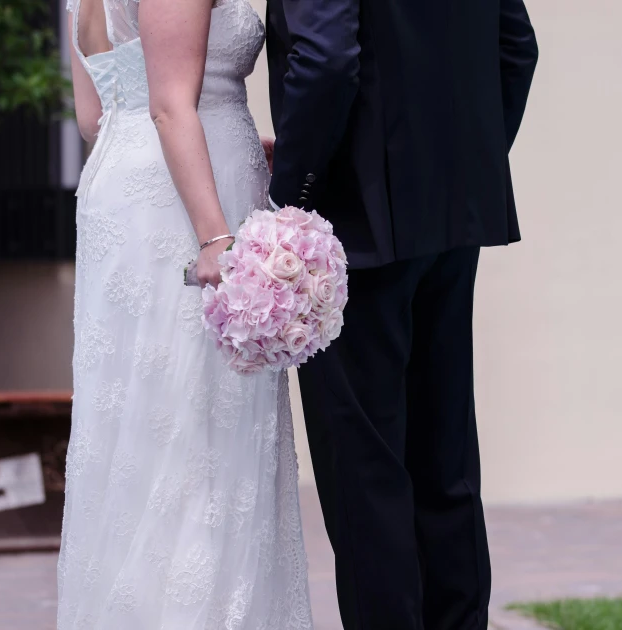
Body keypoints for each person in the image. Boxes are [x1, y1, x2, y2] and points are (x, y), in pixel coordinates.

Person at [266, 0, 538, 628]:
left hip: (352, 227)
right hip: (453, 214)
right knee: (445, 456)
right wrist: (467, 166)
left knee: (365, 470)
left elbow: (327, 57)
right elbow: (516, 46)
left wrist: (291, 201)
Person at [57, 0, 313, 627]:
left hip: (128, 190)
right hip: (185, 212)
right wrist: (215, 237)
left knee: (144, 426)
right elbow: (172, 105)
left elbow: (96, 116)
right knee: (197, 429)